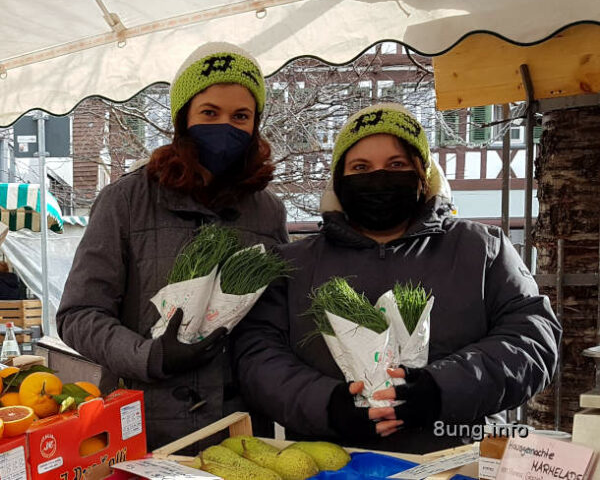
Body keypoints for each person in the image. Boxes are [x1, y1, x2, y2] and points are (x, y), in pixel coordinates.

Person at [232, 103, 561, 454]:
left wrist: (440, 389)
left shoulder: (482, 249)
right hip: (333, 465)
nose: (379, 178)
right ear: (339, 180)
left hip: (459, 461)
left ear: (423, 174)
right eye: (361, 167)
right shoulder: (294, 263)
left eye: (397, 165)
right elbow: (257, 354)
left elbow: (532, 340)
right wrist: (327, 405)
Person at [57, 42, 288, 450]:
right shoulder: (125, 201)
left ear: (255, 125)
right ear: (183, 119)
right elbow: (78, 314)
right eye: (210, 112)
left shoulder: (268, 212)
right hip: (145, 428)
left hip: (241, 426)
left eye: (241, 116)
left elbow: (275, 319)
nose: (226, 126)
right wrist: (148, 356)